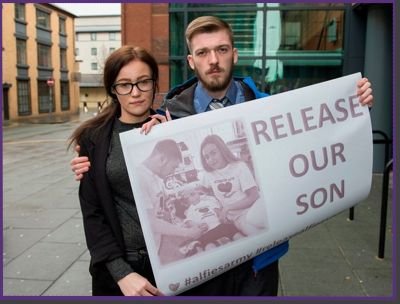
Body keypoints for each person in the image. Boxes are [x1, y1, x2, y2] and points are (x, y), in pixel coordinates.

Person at [71, 16, 374, 296]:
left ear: (235, 53)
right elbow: (105, 189)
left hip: (257, 263)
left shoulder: (271, 107)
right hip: (200, 268)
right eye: (202, 53)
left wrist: (353, 105)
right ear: (191, 61)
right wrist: (90, 164)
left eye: (221, 49)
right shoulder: (170, 116)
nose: (213, 60)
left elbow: (318, 132)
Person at [68, 45, 203, 296]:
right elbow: (93, 213)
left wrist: (174, 138)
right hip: (121, 269)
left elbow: (194, 191)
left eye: (143, 82)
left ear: (154, 83)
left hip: (176, 260)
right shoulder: (93, 138)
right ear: (112, 89)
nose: (135, 93)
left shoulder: (174, 127)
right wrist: (121, 273)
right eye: (124, 84)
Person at [199, 134, 266, 236]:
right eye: (206, 157)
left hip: (255, 207)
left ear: (222, 150)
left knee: (259, 220)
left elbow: (254, 196)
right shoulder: (208, 175)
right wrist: (218, 209)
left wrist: (227, 208)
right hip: (239, 217)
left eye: (213, 153)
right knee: (258, 235)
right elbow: (203, 191)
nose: (210, 159)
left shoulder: (239, 166)